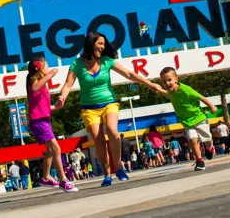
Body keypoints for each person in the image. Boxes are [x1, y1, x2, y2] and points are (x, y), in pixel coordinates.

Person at [58, 31, 162, 187]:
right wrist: (62, 97)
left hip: (109, 103)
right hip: (89, 108)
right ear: (91, 44)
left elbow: (129, 74)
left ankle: (119, 167)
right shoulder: (77, 64)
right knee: (98, 140)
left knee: (113, 131)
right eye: (100, 43)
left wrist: (150, 84)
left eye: (103, 44)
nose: (103, 46)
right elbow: (67, 85)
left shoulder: (107, 61)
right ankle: (107, 174)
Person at [27, 57, 78, 192]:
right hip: (39, 121)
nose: (49, 69)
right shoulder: (34, 82)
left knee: (50, 151)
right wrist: (50, 75)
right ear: (41, 70)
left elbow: (44, 107)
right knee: (56, 148)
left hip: (43, 119)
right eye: (47, 67)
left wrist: (56, 107)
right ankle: (63, 180)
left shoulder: (43, 86)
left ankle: (45, 177)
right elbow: (34, 87)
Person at [158, 67, 217, 171]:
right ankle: (199, 161)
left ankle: (210, 148)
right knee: (192, 140)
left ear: (176, 79)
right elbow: (168, 94)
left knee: (207, 139)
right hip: (186, 121)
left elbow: (200, 97)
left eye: (169, 80)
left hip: (199, 119)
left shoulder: (186, 90)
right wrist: (160, 90)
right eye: (164, 81)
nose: (167, 83)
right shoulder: (170, 92)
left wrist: (212, 106)